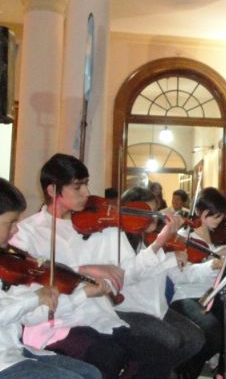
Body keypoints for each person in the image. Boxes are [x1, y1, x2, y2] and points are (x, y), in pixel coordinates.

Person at [11, 153, 177, 379]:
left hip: (99, 317)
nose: (87, 193)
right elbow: (35, 287)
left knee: (159, 354)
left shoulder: (100, 224)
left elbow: (127, 274)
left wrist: (159, 242)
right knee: (109, 356)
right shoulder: (26, 233)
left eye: (86, 184)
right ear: (52, 190)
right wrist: (84, 269)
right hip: (58, 325)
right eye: (77, 187)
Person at [0, 178, 102, 379]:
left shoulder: (7, 263)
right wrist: (35, 298)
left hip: (12, 349)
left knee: (91, 373)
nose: (16, 229)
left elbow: (27, 316)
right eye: (10, 222)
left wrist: (60, 296)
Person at [168, 187, 226, 379]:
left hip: (214, 297)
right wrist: (211, 265)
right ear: (201, 213)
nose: (220, 221)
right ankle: (187, 368)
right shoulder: (181, 238)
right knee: (212, 330)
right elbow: (179, 276)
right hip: (187, 297)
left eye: (221, 215)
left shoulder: (217, 239)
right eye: (215, 216)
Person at [116, 187, 204, 369]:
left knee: (196, 339)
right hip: (129, 310)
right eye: (147, 212)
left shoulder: (147, 238)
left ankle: (152, 370)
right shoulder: (118, 240)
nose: (154, 218)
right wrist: (161, 246)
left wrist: (171, 257)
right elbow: (130, 276)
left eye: (155, 211)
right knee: (171, 340)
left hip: (157, 309)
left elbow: (172, 273)